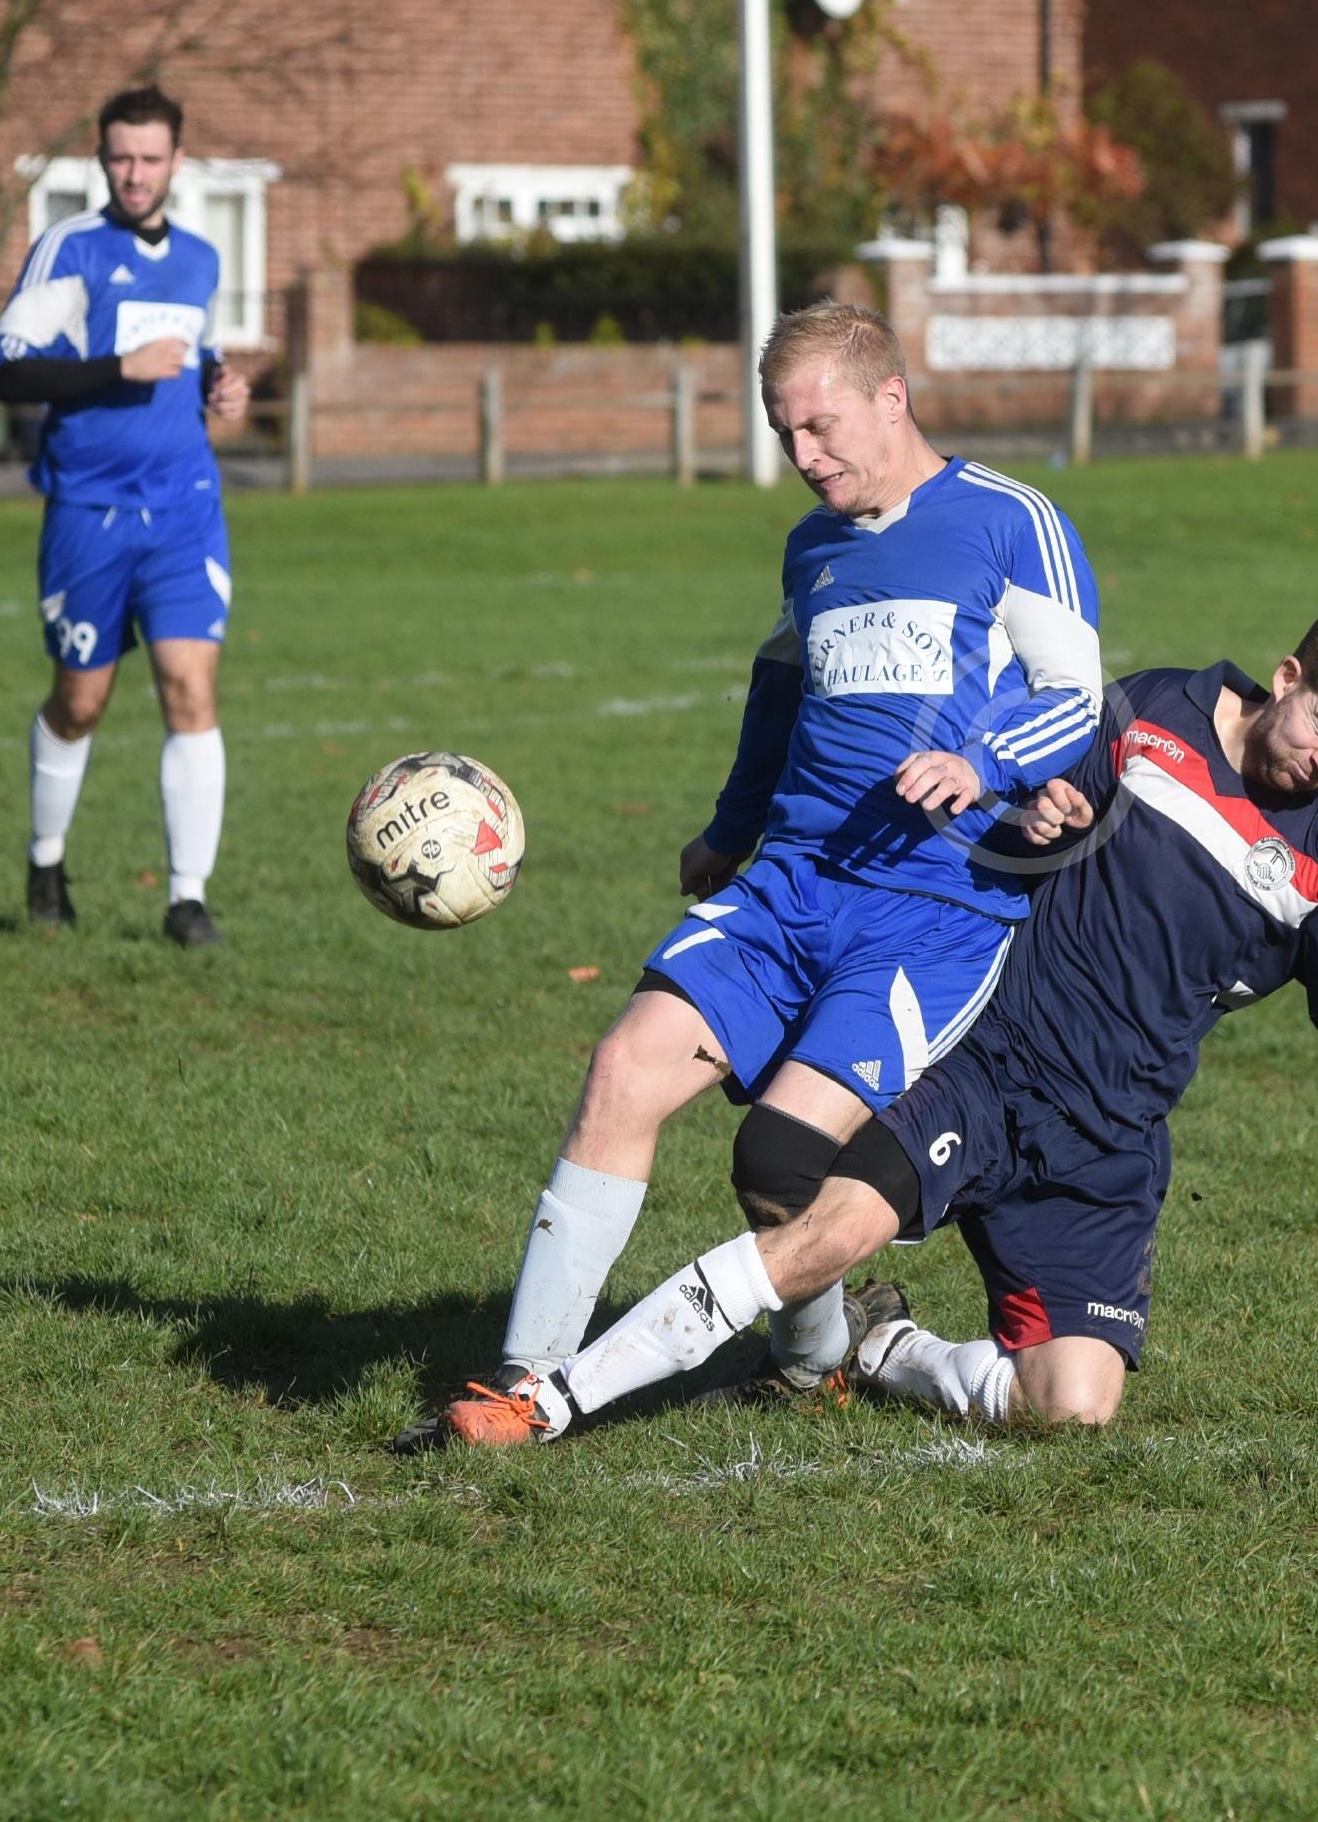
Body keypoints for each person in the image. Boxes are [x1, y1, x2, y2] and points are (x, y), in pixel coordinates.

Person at [409, 597, 1318, 1446]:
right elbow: (1029, 797)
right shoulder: (1143, 712)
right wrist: (1037, 813)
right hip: (986, 1064)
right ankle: (549, 1402)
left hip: (1107, 1138)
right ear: (1287, 678)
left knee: (1071, 1407)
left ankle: (887, 1350)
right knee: (819, 1231)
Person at [402, 301, 1103, 1441]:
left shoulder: (1007, 520)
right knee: (624, 1063)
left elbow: (1075, 696)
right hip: (788, 879)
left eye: (819, 428)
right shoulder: (812, 545)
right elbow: (779, 695)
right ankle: (522, 1379)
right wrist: (728, 830)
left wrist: (979, 761)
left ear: (891, 397)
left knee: (775, 1153)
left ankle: (820, 1354)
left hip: (931, 908)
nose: (801, 458)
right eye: (784, 434)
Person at [0, 85, 251, 948]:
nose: (134, 174)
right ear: (101, 160)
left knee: (191, 688)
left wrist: (219, 382)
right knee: (81, 702)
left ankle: (187, 899)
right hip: (88, 512)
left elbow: (191, 353)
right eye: (119, 158)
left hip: (185, 508)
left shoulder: (202, 259)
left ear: (179, 161)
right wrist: (116, 366)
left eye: (150, 158)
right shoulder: (71, 250)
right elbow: (11, 371)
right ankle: (46, 858)